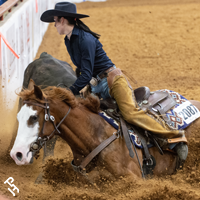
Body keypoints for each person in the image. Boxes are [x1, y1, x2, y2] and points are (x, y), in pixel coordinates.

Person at [40, 2, 188, 166]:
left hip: (112, 82)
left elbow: (87, 73)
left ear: (64, 20)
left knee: (131, 113)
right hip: (96, 86)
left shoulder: (85, 39)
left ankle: (175, 137)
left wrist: (68, 91)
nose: (54, 25)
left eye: (55, 20)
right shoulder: (69, 40)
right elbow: (81, 69)